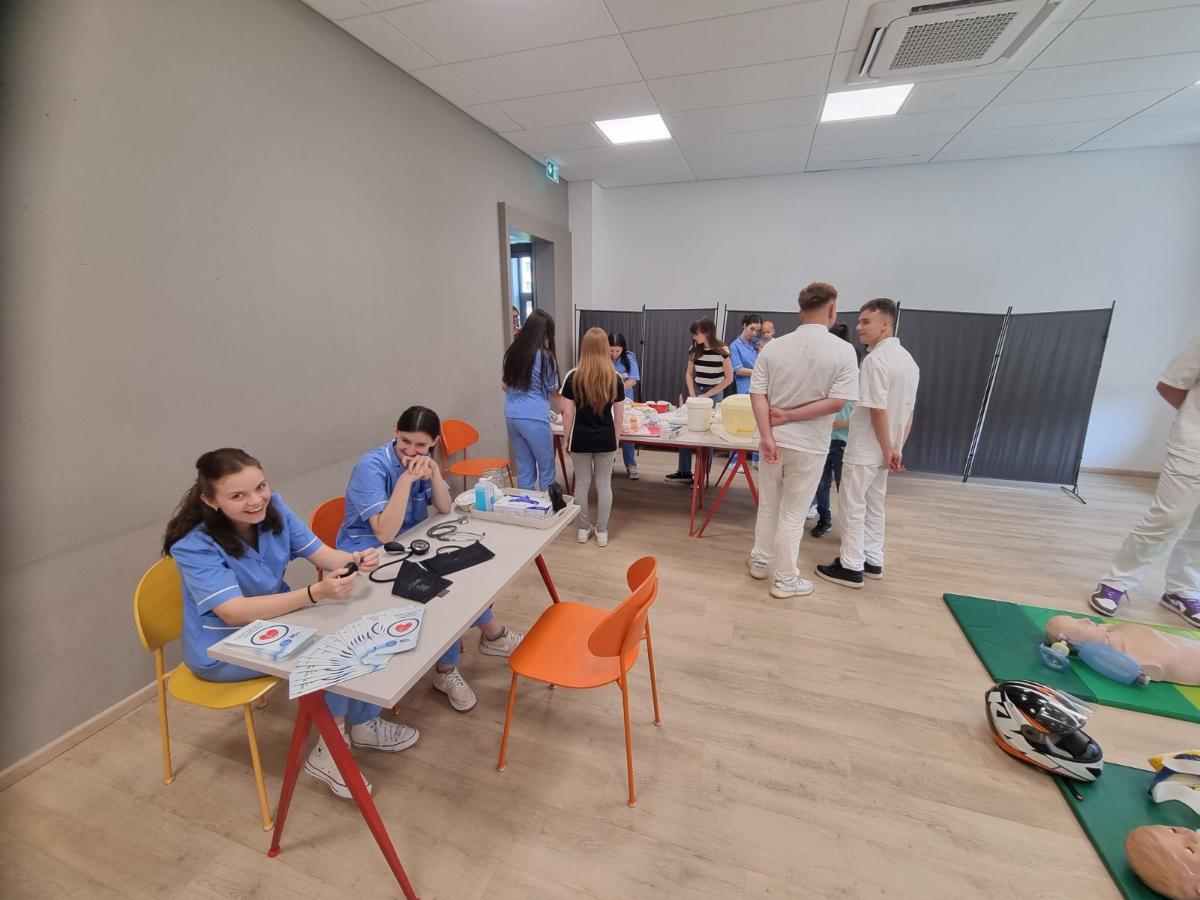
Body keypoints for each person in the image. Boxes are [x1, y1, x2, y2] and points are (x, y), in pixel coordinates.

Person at [164, 448, 418, 800]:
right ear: (211, 500)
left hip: (278, 622)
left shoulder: (275, 509)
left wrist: (355, 559)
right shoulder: (194, 545)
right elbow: (233, 612)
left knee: (357, 629)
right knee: (329, 653)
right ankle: (329, 752)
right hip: (224, 647)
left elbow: (323, 555)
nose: (256, 500)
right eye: (238, 496)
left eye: (260, 487)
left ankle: (362, 724)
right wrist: (314, 594)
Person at [337, 406, 524, 712]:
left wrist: (434, 471)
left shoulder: (423, 462)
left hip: (409, 545)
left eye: (421, 445)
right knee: (442, 592)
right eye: (404, 441)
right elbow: (384, 533)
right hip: (368, 553)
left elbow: (444, 506)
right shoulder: (371, 467)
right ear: (395, 431)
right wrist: (405, 481)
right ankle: (463, 657)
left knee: (466, 571)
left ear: (434, 442)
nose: (411, 450)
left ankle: (480, 643)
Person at [747, 283, 859, 598]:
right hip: (809, 445)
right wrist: (791, 417)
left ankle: (760, 561)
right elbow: (838, 402)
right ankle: (785, 580)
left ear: (800, 311)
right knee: (793, 514)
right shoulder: (843, 351)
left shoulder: (774, 347)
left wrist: (768, 435)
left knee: (768, 505)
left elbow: (757, 394)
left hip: (773, 441)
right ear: (832, 310)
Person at [1089, 336, 1200, 627]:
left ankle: (1182, 591)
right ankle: (1116, 582)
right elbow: (1170, 385)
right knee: (1168, 517)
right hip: (1194, 445)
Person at [817, 298, 919, 589]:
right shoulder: (909, 361)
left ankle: (851, 565)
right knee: (875, 505)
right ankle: (873, 559)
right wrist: (896, 448)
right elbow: (908, 412)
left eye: (866, 322)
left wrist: (887, 449)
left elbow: (877, 409)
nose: (859, 327)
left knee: (853, 504)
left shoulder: (876, 360)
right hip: (887, 449)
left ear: (885, 324)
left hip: (867, 448)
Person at [563, 328, 625, 547]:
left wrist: (566, 439)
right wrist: (616, 439)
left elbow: (567, 413)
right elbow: (619, 415)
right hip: (605, 438)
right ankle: (602, 532)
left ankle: (583, 529)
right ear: (605, 349)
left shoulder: (573, 376)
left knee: (581, 484)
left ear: (585, 348)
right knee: (604, 485)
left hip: (580, 438)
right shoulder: (614, 378)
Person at [665, 317, 733, 483]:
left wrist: (707, 395)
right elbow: (689, 374)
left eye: (696, 333)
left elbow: (729, 378)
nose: (694, 337)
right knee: (687, 429)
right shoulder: (695, 349)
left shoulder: (722, 350)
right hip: (697, 391)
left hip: (714, 394)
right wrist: (693, 395)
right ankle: (684, 471)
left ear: (707, 332)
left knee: (707, 434)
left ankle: (702, 476)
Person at [502, 309, 561, 490]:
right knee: (546, 468)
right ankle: (548, 506)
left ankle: (525, 505)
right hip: (534, 417)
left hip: (512, 415)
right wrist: (567, 412)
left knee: (525, 469)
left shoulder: (514, 352)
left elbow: (504, 385)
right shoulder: (545, 357)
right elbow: (554, 392)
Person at [811, 323, 859, 538]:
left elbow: (863, 418)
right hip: (822, 439)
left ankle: (850, 530)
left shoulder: (857, 377)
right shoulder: (824, 374)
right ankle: (825, 519)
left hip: (844, 443)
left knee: (845, 488)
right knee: (821, 485)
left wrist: (842, 425)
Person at [729, 314, 762, 469]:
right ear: (744, 326)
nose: (754, 333)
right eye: (752, 329)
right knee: (741, 426)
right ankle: (735, 461)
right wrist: (760, 372)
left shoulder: (757, 344)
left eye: (757, 330)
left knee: (759, 425)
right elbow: (738, 369)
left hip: (760, 389)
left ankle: (757, 459)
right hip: (744, 390)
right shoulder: (735, 346)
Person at [609, 332, 640, 479]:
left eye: (617, 350)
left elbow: (633, 380)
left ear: (623, 348)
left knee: (627, 432)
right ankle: (609, 463)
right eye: (611, 350)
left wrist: (617, 391)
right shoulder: (603, 357)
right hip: (608, 401)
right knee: (609, 432)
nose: (614, 354)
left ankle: (630, 464)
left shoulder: (629, 357)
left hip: (626, 401)